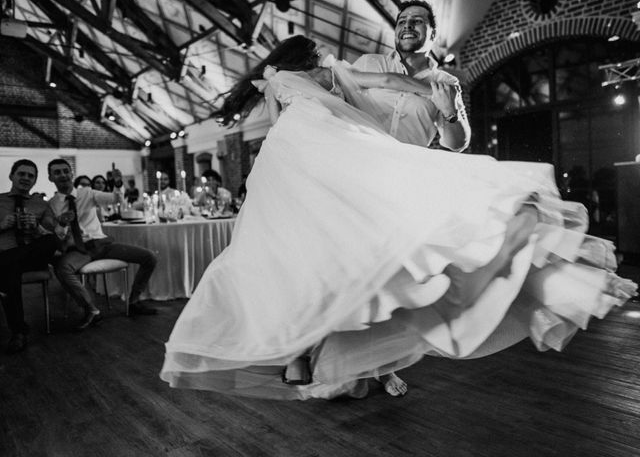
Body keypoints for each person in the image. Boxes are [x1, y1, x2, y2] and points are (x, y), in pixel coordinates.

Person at [160, 36, 636, 401]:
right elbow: (385, 84)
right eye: (324, 57)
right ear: (313, 58)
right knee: (360, 250)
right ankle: (316, 356)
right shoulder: (334, 73)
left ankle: (302, 356)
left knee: (304, 259)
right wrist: (425, 86)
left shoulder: (276, 83)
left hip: (288, 163)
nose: (330, 62)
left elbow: (279, 127)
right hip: (322, 153)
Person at [47, 159, 158, 330]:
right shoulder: (52, 205)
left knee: (149, 257)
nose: (62, 175)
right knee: (62, 269)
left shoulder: (87, 193)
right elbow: (56, 234)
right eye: (57, 172)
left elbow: (114, 199)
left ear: (71, 174)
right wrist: (61, 224)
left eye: (65, 171)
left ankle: (134, 301)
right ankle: (91, 310)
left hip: (102, 245)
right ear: (50, 178)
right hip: (80, 250)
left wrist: (118, 183)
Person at [352, 0, 470, 151]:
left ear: (433, 34)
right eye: (401, 22)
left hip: (405, 166)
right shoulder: (369, 63)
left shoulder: (446, 81)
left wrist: (450, 113)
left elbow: (459, 145)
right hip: (362, 154)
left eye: (417, 21)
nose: (407, 25)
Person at [0, 159, 58, 353]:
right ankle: (19, 332)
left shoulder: (40, 204)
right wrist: (1, 225)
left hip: (32, 256)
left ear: (34, 181)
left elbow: (52, 234)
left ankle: (18, 332)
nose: (26, 178)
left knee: (51, 240)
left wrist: (36, 226)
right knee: (10, 268)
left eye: (30, 176)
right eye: (21, 174)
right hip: (7, 256)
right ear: (11, 176)